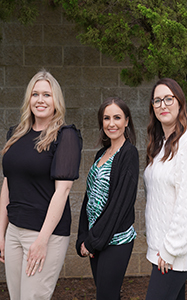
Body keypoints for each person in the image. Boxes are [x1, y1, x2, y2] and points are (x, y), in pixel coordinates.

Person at [0, 70, 82, 299]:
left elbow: (63, 190)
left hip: (45, 233)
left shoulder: (65, 136)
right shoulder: (15, 135)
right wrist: (1, 233)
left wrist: (42, 240)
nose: (40, 100)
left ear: (56, 100)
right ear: (29, 99)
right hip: (14, 230)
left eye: (47, 94)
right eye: (35, 94)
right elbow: (8, 184)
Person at [144, 78, 187, 300]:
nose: (162, 105)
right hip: (161, 250)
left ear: (180, 103)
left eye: (168, 99)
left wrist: (170, 249)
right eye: (157, 100)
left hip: (174, 253)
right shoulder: (160, 143)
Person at [76, 97, 139, 300]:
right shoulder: (101, 154)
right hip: (97, 238)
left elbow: (120, 204)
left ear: (127, 121)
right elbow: (89, 198)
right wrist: (83, 237)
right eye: (106, 118)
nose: (111, 123)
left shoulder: (129, 153)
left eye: (117, 117)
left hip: (115, 240)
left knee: (107, 296)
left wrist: (93, 241)